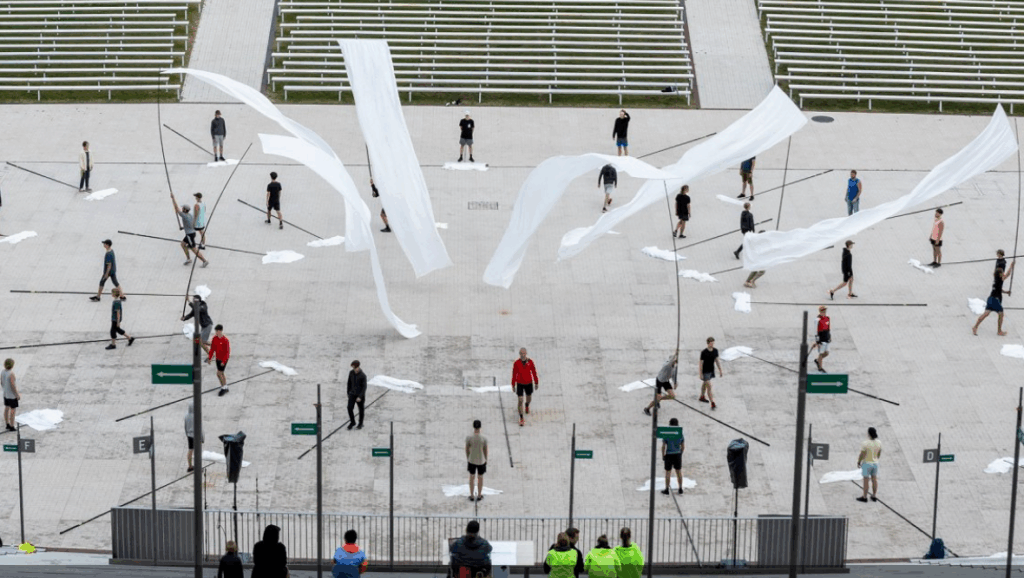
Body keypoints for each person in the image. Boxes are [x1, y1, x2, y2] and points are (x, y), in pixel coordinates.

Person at [973, 262, 1015, 336]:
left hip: (990, 299)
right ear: (1000, 274)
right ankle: (999, 331)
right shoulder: (1000, 279)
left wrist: (1006, 292)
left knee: (986, 314)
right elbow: (1008, 274)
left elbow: (999, 289)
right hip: (995, 300)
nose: (1003, 274)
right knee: (1001, 314)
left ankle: (975, 327)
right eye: (1002, 273)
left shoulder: (996, 280)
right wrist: (1011, 266)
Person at [171, 194, 209, 267]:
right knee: (183, 244)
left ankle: (204, 261)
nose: (182, 209)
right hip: (192, 233)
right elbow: (190, 224)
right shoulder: (190, 215)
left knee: (194, 249)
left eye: (183, 208)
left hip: (189, 235)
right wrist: (183, 227)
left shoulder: (184, 215)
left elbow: (176, 208)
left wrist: (173, 198)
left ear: (185, 210)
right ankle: (188, 259)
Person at [511, 347, 539, 427]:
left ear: (526, 354)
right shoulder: (516, 363)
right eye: (521, 354)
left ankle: (527, 405)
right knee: (520, 400)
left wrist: (536, 382)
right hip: (520, 383)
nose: (523, 355)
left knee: (529, 398)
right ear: (519, 354)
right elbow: (514, 374)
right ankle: (521, 418)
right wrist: (513, 384)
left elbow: (534, 372)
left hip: (528, 383)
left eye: (524, 353)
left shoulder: (530, 362)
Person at [643, 352, 677, 416]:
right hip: (659, 381)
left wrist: (675, 383)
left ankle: (659, 399)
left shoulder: (674, 368)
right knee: (657, 398)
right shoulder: (666, 365)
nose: (675, 362)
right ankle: (647, 409)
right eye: (674, 360)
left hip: (666, 381)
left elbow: (673, 376)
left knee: (672, 396)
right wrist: (676, 353)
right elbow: (670, 362)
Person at [856, 427, 882, 503]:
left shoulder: (865, 443)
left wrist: (859, 461)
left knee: (866, 480)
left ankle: (864, 497)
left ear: (869, 434)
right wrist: (876, 459)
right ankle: (874, 495)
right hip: (875, 463)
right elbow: (879, 453)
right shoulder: (879, 442)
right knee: (874, 480)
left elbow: (862, 454)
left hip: (867, 464)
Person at [660, 417, 684, 495]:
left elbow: (663, 446)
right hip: (677, 454)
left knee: (668, 472)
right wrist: (680, 453)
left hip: (669, 454)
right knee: (678, 472)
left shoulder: (667, 433)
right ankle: (680, 488)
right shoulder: (680, 433)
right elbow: (683, 446)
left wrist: (663, 455)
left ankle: (667, 489)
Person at [466, 419, 488, 502]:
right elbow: (485, 450)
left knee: (471, 477)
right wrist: (486, 459)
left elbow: (467, 448)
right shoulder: (484, 438)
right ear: (480, 427)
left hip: (472, 460)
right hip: (481, 460)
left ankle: (471, 495)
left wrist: (468, 457)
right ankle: (479, 495)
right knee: (480, 478)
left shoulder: (469, 437)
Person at [698, 337, 722, 410]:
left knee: (705, 384)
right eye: (711, 343)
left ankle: (702, 396)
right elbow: (701, 363)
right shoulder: (704, 352)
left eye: (713, 343)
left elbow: (717, 360)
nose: (712, 345)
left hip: (711, 371)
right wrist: (700, 374)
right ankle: (712, 402)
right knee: (709, 387)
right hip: (705, 372)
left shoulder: (715, 351)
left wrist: (720, 370)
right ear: (708, 343)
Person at [207, 324, 230, 396]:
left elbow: (227, 352)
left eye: (217, 331)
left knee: (219, 373)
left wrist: (224, 361)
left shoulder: (225, 340)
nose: (216, 332)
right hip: (218, 359)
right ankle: (225, 386)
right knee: (221, 373)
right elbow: (212, 349)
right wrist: (210, 358)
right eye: (216, 331)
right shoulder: (214, 339)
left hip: (223, 360)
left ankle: (223, 388)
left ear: (220, 331)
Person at [347, 360, 366, 430]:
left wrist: (360, 397)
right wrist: (348, 393)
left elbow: (364, 387)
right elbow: (349, 383)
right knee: (349, 408)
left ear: (358, 367)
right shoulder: (351, 373)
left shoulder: (363, 375)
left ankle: (360, 423)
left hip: (359, 396)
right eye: (353, 368)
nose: (354, 369)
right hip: (352, 394)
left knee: (361, 410)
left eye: (355, 368)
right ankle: (352, 422)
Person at [184, 400, 203, 473]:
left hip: (189, 435)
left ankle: (190, 466)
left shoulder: (186, 416)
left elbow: (185, 426)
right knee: (197, 452)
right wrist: (202, 437)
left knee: (190, 450)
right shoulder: (197, 416)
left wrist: (187, 434)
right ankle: (198, 467)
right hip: (196, 436)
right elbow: (200, 428)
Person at [811, 306, 831, 373]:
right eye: (822, 311)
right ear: (820, 312)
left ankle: (817, 360)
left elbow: (828, 327)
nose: (824, 312)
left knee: (827, 353)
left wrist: (829, 336)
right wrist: (817, 341)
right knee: (821, 353)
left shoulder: (827, 318)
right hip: (821, 339)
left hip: (826, 337)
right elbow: (815, 331)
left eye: (825, 311)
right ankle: (820, 368)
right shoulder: (817, 320)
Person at [3, 359, 19, 432]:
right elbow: (13, 385)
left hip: (5, 394)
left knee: (6, 408)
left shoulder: (3, 372)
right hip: (11, 395)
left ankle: (7, 424)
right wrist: (16, 394)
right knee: (13, 410)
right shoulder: (11, 374)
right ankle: (12, 426)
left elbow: (1, 382)